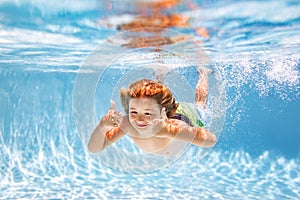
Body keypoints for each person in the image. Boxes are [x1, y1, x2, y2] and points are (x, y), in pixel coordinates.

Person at [88, 69, 216, 156]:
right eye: (133, 112)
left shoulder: (176, 127)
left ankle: (203, 73)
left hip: (185, 115)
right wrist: (102, 126)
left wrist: (167, 131)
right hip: (161, 110)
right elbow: (94, 148)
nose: (139, 119)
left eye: (147, 114)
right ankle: (160, 75)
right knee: (155, 100)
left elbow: (211, 140)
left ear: (163, 113)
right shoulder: (127, 123)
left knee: (200, 105)